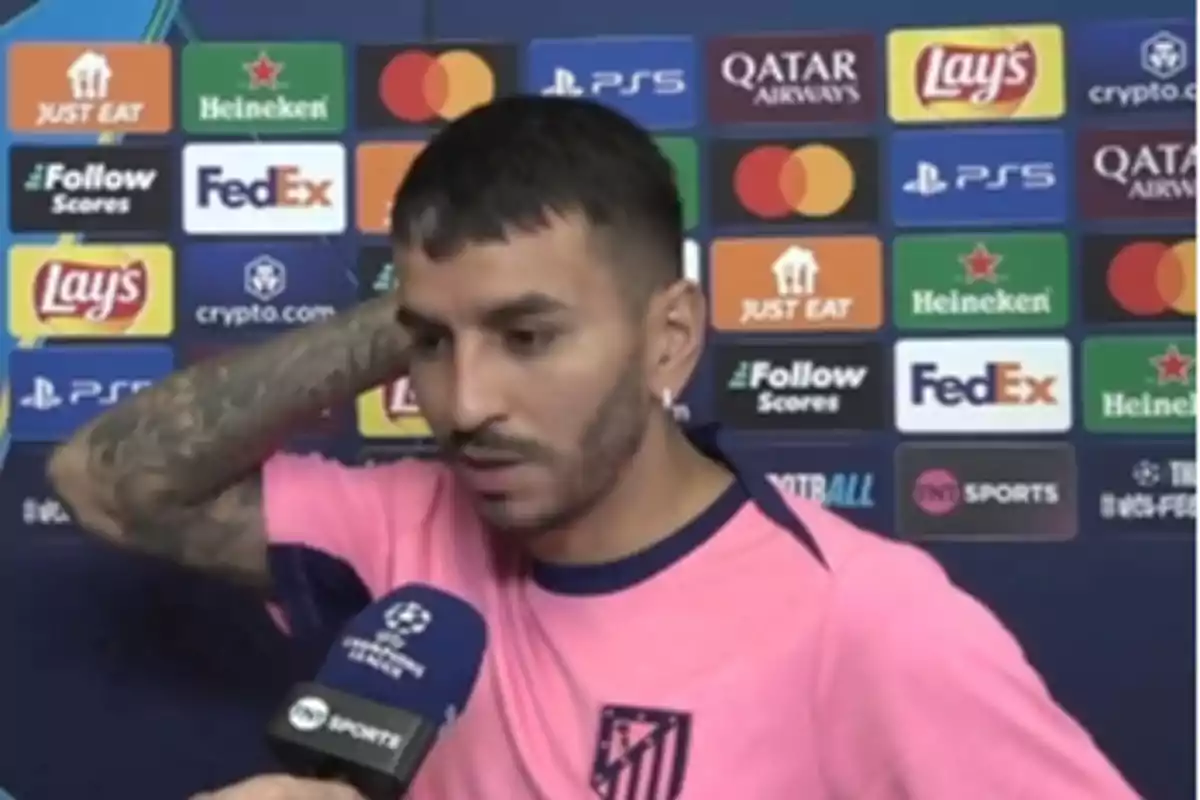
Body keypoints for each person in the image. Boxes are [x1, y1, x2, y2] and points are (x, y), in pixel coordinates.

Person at [49, 96, 1139, 800]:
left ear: (669, 333)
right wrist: (432, 300)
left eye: (529, 336)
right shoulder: (403, 528)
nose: (466, 402)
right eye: (432, 346)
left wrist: (454, 306)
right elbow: (102, 483)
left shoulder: (867, 620)